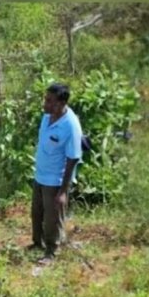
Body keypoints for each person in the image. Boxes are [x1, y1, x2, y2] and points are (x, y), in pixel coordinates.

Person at [29, 83, 83, 264]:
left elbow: (73, 158)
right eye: (45, 99)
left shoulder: (70, 125)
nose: (45, 104)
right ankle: (38, 243)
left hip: (55, 180)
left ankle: (52, 251)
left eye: (49, 101)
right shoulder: (47, 116)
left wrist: (62, 192)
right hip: (40, 175)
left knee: (52, 219)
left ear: (61, 103)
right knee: (36, 213)